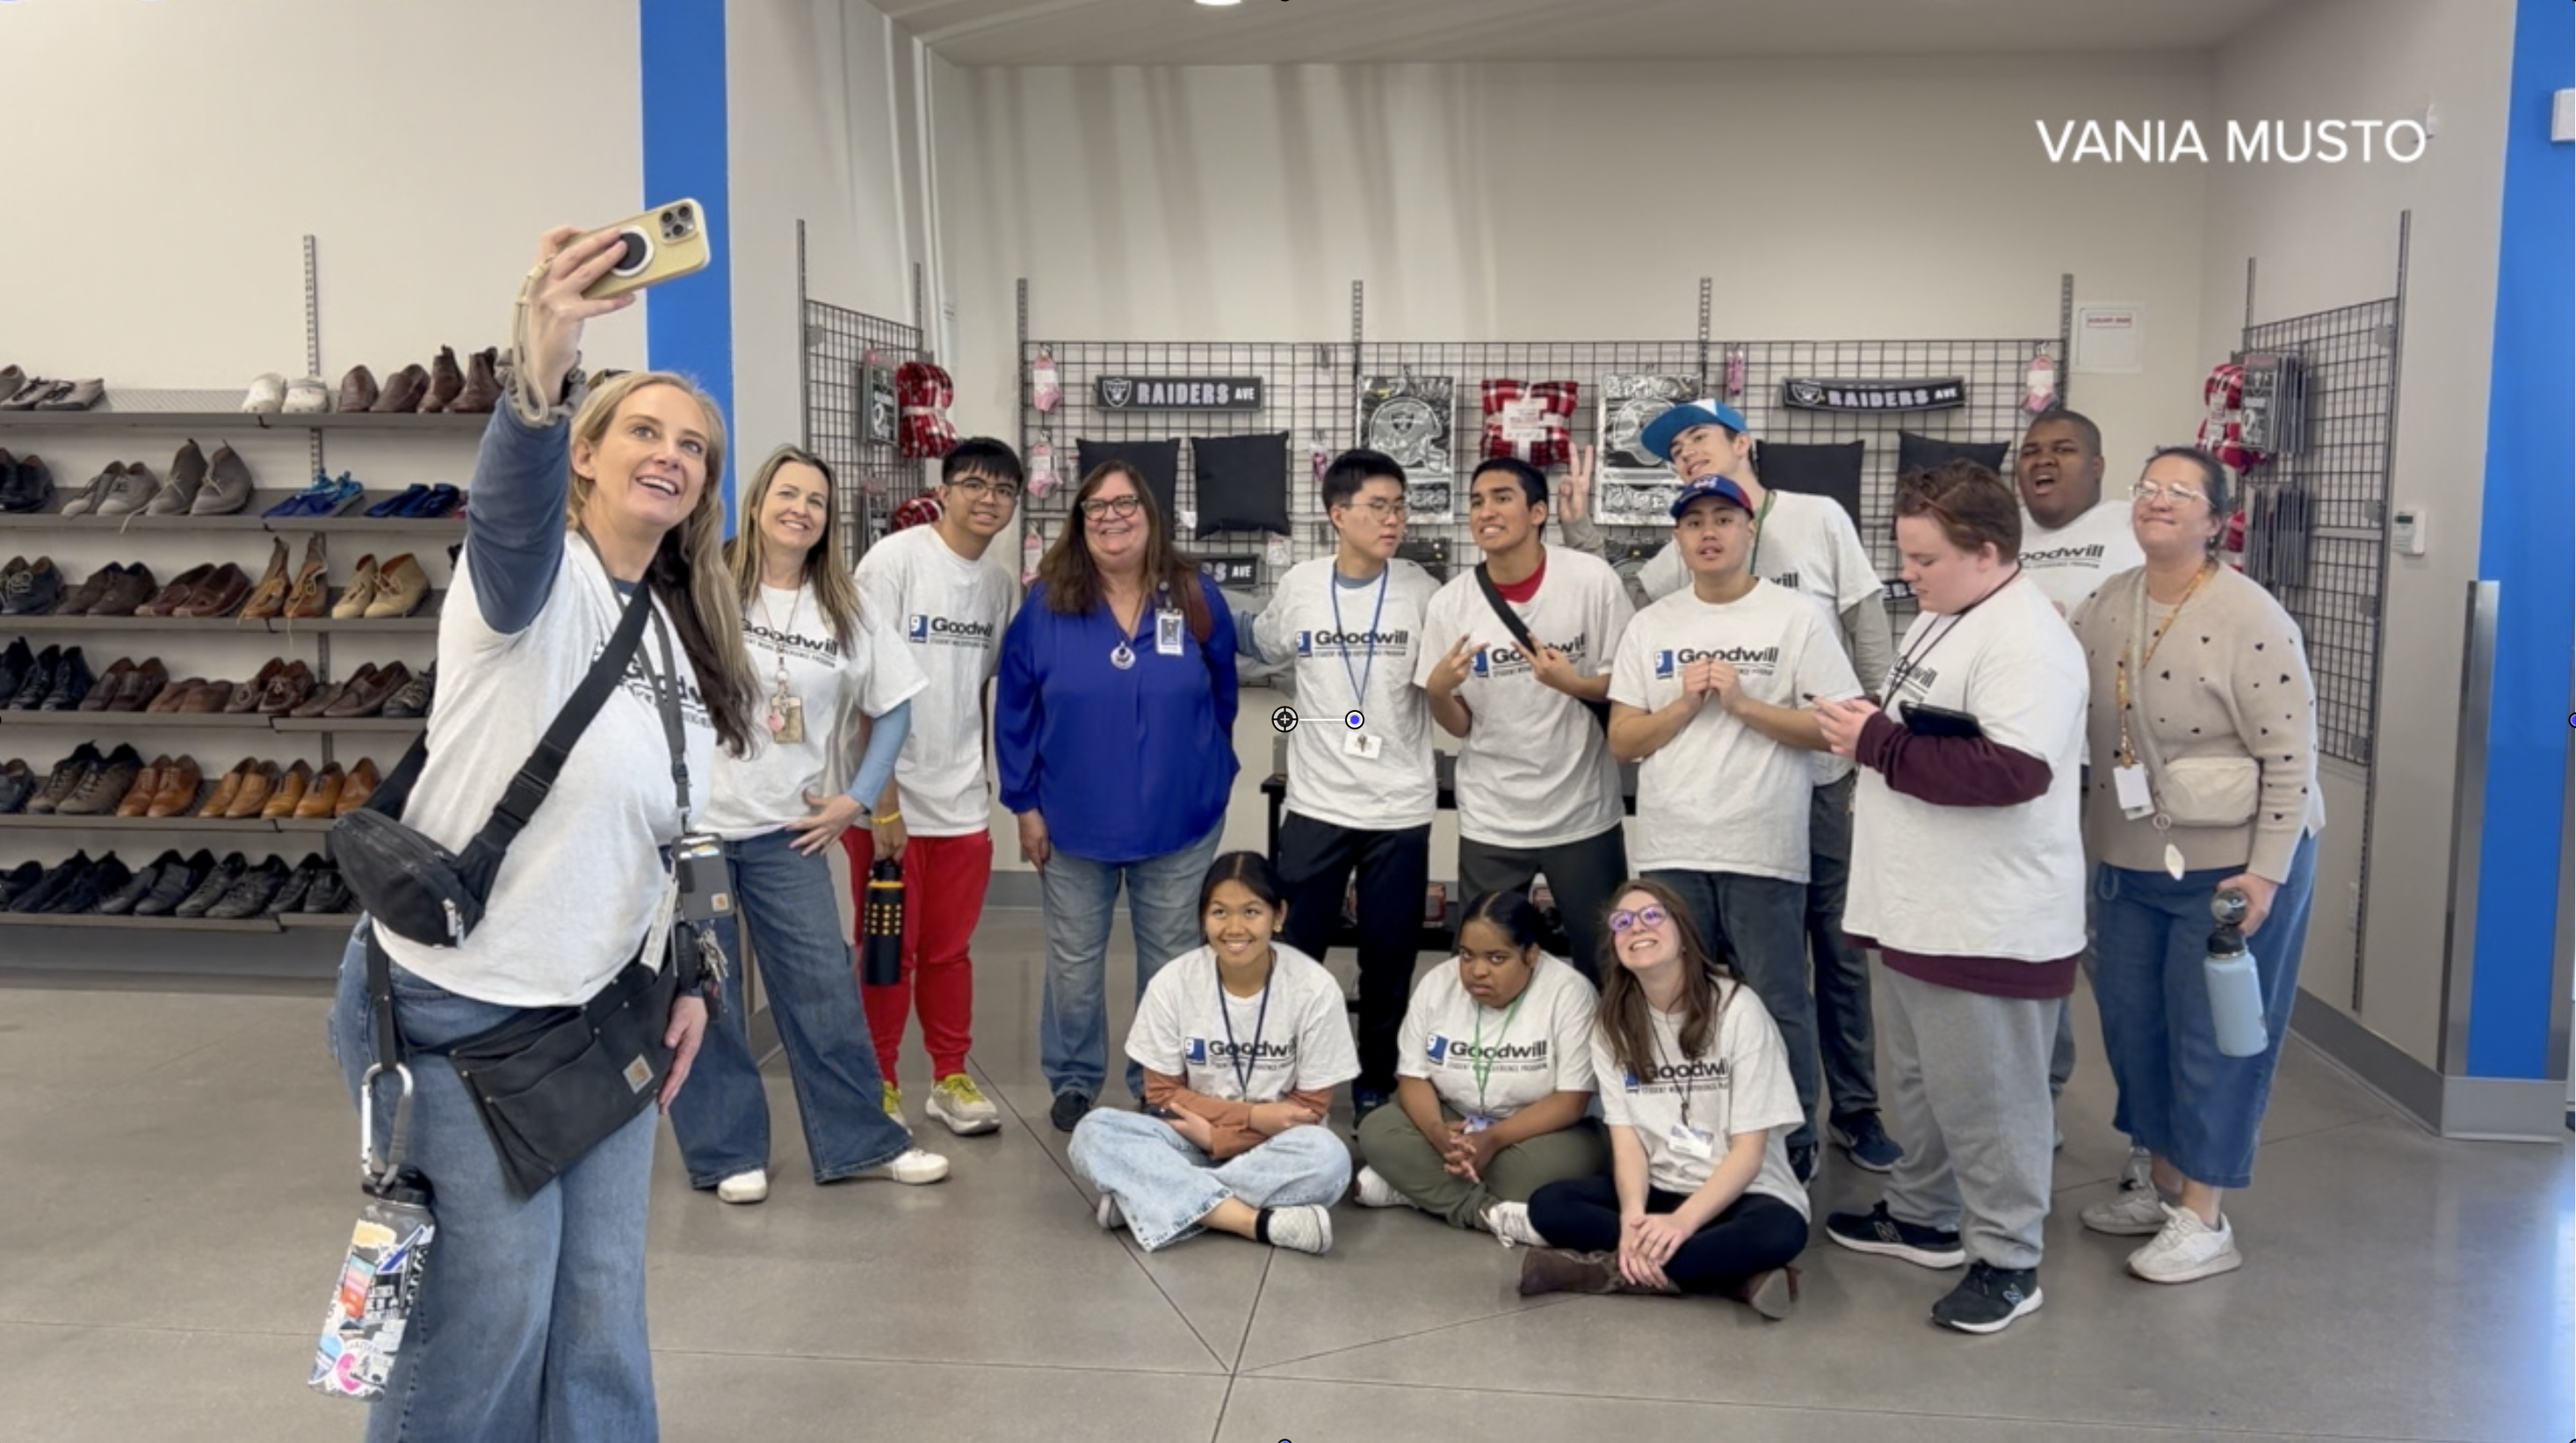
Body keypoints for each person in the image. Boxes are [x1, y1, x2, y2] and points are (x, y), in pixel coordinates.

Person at [324, 226, 756, 1438]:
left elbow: (676, 836)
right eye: (644, 432)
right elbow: (506, 511)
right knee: (488, 1316)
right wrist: (541, 366)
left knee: (603, 1312)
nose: (670, 456)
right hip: (457, 1013)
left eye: (693, 447)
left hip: (602, 1013)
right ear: (585, 455)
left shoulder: (671, 630)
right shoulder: (526, 582)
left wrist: (689, 977)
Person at [1815, 459, 2088, 1336]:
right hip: (1914, 908)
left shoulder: (2027, 641)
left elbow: (2013, 770)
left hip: (1986, 920)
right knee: (1920, 1082)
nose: (1910, 575)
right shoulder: (1946, 615)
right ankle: (1922, 1212)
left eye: (1925, 559)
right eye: (1905, 557)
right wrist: (1876, 733)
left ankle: (2008, 1258)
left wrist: (1876, 742)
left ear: (1986, 550)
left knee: (1990, 1097)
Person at [1600, 400, 1904, 1175]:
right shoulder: (1656, 616)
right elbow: (1624, 736)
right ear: (1678, 536)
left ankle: (1802, 1137)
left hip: (1781, 831)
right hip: (1674, 844)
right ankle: (1690, 1140)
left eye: (1721, 520)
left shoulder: (1801, 595)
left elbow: (1842, 707)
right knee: (1677, 998)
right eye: (1692, 520)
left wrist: (1744, 704)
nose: (1708, 531)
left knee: (1792, 991)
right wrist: (1687, 704)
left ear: (1747, 530)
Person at [669, 444, 950, 1204]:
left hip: (788, 832)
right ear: (758, 502)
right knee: (709, 992)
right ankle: (727, 1154)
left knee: (823, 986)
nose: (800, 509)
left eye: (816, 502)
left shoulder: (847, 608)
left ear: (828, 522)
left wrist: (857, 797)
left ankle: (861, 1141)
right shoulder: (704, 588)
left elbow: (895, 706)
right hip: (695, 833)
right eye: (787, 494)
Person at [2070, 446, 2324, 1283]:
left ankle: (2206, 1216)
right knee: (2135, 1028)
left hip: (2232, 871)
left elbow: (2292, 759)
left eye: (2181, 493)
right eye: (2148, 489)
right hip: (2130, 857)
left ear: (2217, 521)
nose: (2158, 502)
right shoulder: (2108, 603)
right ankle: (2164, 1181)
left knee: (2217, 1038)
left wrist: (2266, 875)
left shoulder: (2252, 618)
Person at [998, 460, 1239, 1132]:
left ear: (1150, 513)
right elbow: (1014, 710)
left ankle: (1155, 1081)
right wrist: (1024, 804)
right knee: (1074, 964)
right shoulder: (1046, 604)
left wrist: (1211, 772)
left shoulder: (1192, 594)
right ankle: (1074, 1079)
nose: (1111, 517)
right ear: (1079, 522)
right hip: (1072, 824)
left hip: (1180, 820)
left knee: (1168, 962)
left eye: (1125, 503)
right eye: (1095, 508)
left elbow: (1223, 692)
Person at [1241, 448, 1440, 1120]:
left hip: (1398, 806)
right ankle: (1291, 1075)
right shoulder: (1300, 584)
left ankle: (1377, 1081)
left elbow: (1439, 684)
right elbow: (1268, 649)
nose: (1394, 520)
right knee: (1296, 953)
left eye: (1400, 506)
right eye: (1378, 506)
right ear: (1337, 514)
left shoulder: (1422, 589)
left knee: (1389, 959)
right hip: (1318, 803)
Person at [1518, 881, 1809, 1318]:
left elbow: (1750, 1153)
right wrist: (1632, 1221)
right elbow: (1628, 1142)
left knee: (1780, 1232)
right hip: (1662, 1186)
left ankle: (1598, 1271)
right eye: (1622, 922)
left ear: (1685, 936)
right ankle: (1734, 1277)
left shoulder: (1738, 1010)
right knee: (1549, 1206)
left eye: (1652, 916)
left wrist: (1681, 1223)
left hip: (1742, 1192)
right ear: (1614, 946)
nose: (1636, 927)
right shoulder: (1611, 1023)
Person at [852, 437, 1024, 1137]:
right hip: (889, 802)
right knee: (889, 950)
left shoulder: (998, 585)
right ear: (945, 489)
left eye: (1004, 490)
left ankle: (949, 1076)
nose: (989, 499)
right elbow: (864, 685)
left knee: (950, 952)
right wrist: (881, 796)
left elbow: (979, 690)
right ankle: (881, 1081)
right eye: (975, 484)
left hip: (959, 802)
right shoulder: (892, 563)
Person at [1067, 852, 1357, 1254]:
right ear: (1203, 918)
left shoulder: (1314, 988)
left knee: (1329, 1159)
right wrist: (1250, 1118)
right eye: (1220, 912)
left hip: (1278, 1142)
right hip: (1191, 1137)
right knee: (1093, 1132)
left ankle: (1149, 1196)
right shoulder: (1173, 983)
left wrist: (1224, 1139)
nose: (1234, 928)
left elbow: (1307, 1107)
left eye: (1251, 912)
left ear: (1278, 915)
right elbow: (1162, 1095)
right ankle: (1251, 1221)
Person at [1415, 456, 1633, 981]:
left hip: (1583, 814)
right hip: (1495, 815)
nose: (1485, 511)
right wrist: (1440, 692)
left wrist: (1575, 685)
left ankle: (1606, 1063)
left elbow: (1630, 685)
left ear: (1538, 512)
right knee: (1487, 965)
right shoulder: (1451, 604)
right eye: (1476, 501)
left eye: (1501, 497)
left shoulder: (1590, 581)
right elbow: (1460, 724)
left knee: (1607, 965)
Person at [2012, 407, 2147, 1165]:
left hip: (2119, 775)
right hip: (2035, 774)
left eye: (2063, 450)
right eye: (2032, 451)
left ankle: (2149, 1143)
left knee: (2122, 963)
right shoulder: (2001, 537)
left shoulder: (2134, 528)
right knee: (2045, 940)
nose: (2044, 462)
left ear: (2097, 465)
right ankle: (2042, 1103)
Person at [1352, 888, 1606, 1244]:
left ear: (1531, 954)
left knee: (1536, 1174)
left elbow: (1571, 1101)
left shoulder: (1569, 994)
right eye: (1467, 956)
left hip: (1541, 1130)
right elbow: (1412, 1077)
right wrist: (1436, 1132)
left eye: (1497, 958)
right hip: (1455, 1116)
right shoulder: (1437, 984)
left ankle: (1416, 1188)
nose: (1477, 971)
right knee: (1377, 1129)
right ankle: (1485, 1211)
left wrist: (1493, 1138)